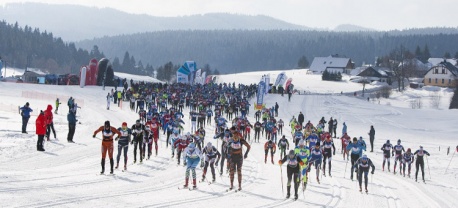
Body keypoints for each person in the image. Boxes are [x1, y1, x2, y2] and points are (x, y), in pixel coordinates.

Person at [227, 126, 251, 191]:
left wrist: (246, 153)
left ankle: (239, 186)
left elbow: (248, 146)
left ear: (238, 136)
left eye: (236, 137)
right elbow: (226, 147)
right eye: (234, 138)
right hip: (232, 157)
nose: (235, 139)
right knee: (231, 170)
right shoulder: (230, 140)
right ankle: (231, 184)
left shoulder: (241, 140)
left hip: (239, 157)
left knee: (239, 171)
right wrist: (228, 156)